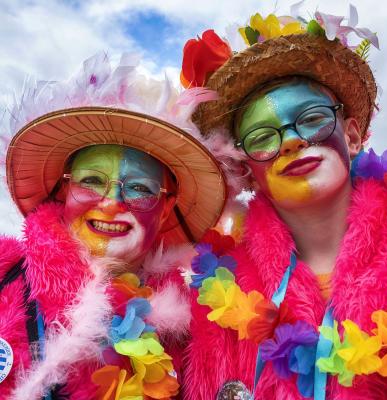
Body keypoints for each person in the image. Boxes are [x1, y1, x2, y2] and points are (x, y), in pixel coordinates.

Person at [180, 6, 387, 400]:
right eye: (263, 137)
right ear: (246, 169)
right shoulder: (217, 294)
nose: (292, 142)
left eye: (312, 118)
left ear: (351, 136)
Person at [0, 52, 227, 399]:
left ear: (165, 210)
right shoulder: (4, 275)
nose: (110, 203)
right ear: (64, 191)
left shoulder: (190, 333)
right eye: (91, 181)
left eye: (139, 188)